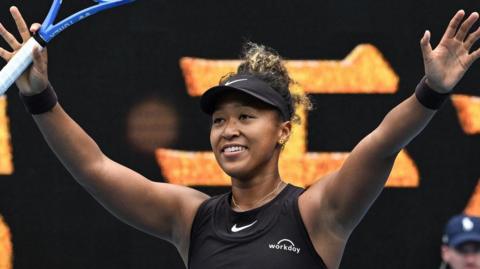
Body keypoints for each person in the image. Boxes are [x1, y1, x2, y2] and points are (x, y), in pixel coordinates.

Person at [1, 5, 480, 269]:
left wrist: (431, 90)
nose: (228, 130)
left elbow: (380, 144)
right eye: (219, 120)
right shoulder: (190, 218)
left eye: (246, 117)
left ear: (283, 132)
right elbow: (95, 169)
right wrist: (40, 96)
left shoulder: (316, 213)